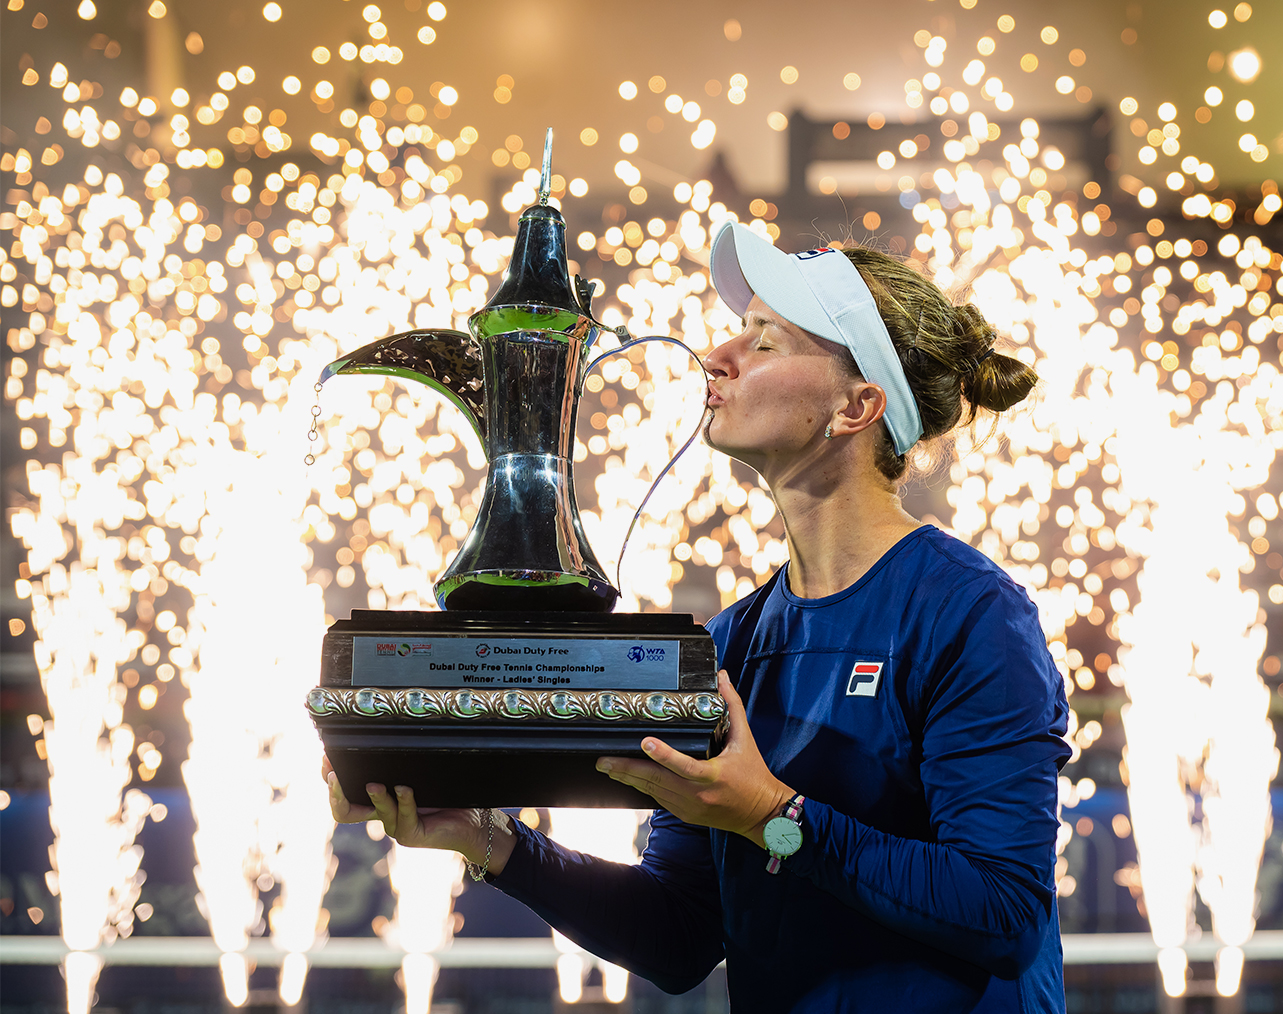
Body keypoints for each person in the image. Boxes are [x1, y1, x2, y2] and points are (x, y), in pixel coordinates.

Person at [325, 221, 1072, 1012]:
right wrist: (488, 838)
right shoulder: (731, 645)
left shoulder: (971, 616)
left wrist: (771, 816)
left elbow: (1004, 912)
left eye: (765, 340)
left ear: (857, 406)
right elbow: (677, 937)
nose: (718, 357)